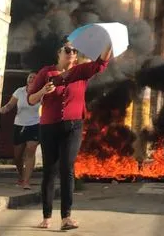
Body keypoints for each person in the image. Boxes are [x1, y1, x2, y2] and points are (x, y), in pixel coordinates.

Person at [28, 38, 112, 231]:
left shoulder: (80, 71)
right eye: (68, 50)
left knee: (67, 168)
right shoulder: (46, 73)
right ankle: (46, 217)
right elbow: (31, 100)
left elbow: (101, 64)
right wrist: (43, 90)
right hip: (49, 126)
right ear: (59, 53)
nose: (72, 53)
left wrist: (108, 43)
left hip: (73, 126)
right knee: (50, 171)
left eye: (75, 51)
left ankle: (66, 217)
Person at [0, 73, 42, 189]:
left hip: (35, 124)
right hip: (19, 124)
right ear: (27, 80)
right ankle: (21, 175)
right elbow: (10, 104)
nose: (32, 79)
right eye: (30, 77)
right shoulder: (20, 91)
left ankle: (26, 181)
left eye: (34, 77)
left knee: (30, 151)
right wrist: (4, 109)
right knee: (17, 156)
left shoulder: (41, 93)